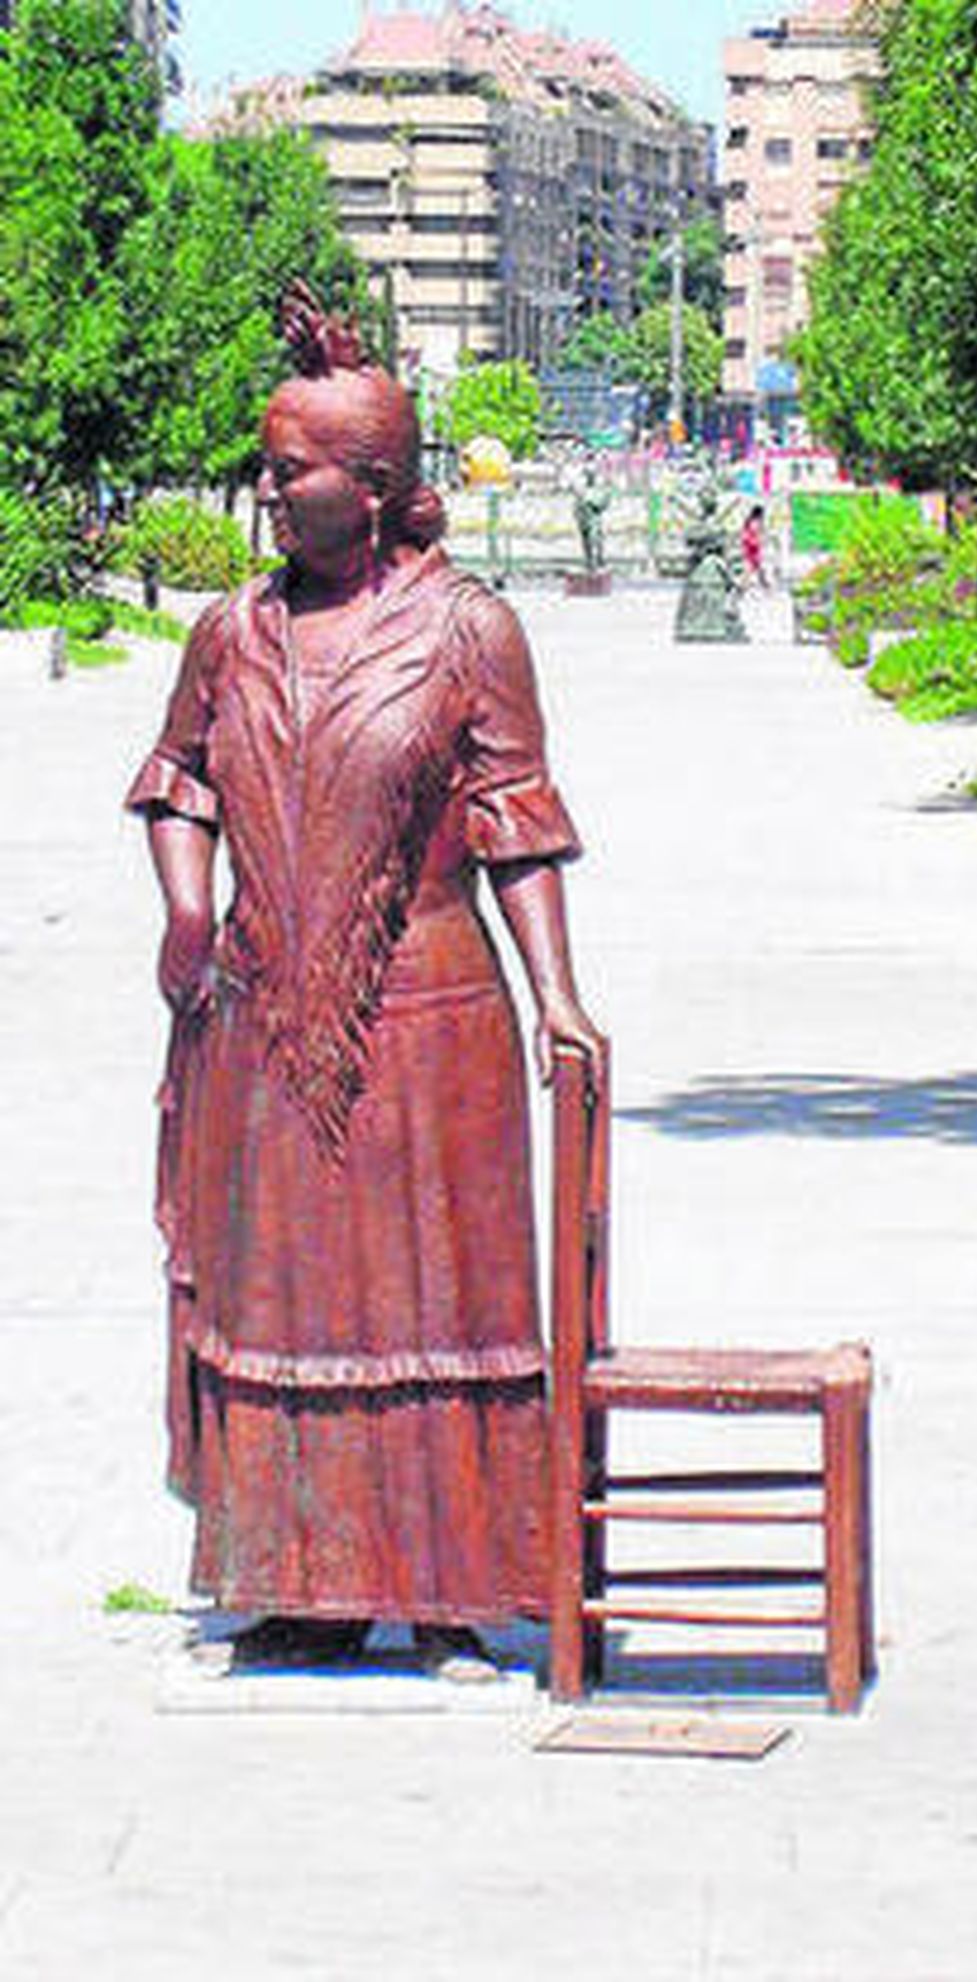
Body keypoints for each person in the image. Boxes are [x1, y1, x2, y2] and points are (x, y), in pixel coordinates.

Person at [126, 282, 604, 1675]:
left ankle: (453, 1584)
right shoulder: (232, 630)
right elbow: (179, 780)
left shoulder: (469, 630)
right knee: (280, 1289)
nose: (268, 490)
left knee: (438, 1296)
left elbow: (516, 819)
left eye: (293, 470)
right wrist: (186, 905)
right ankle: (298, 1581)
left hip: (433, 1018)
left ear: (377, 487)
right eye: (267, 467)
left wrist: (557, 994)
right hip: (261, 1017)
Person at [740, 503, 767, 589]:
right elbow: (753, 534)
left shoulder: (749, 521)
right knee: (753, 566)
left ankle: (763, 582)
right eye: (762, 513)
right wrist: (758, 542)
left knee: (756, 566)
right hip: (752, 547)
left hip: (750, 547)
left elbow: (747, 535)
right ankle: (743, 584)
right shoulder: (754, 522)